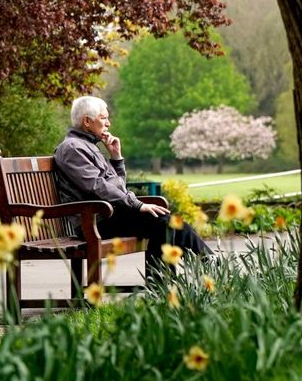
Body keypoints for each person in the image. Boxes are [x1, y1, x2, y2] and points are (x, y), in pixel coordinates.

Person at [53, 96, 211, 282]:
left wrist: (116, 158)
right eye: (104, 118)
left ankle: (208, 264)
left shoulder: (87, 147)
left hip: (106, 215)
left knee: (167, 222)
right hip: (92, 222)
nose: (108, 123)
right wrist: (136, 205)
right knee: (162, 223)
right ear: (87, 121)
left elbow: (115, 186)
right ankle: (166, 283)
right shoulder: (72, 148)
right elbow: (98, 187)